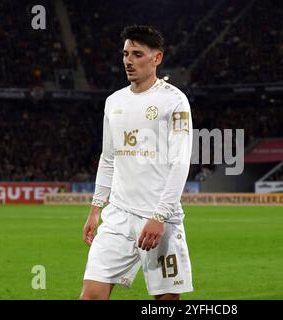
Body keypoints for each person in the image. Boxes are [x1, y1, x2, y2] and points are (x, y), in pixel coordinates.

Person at [79, 25, 194, 300]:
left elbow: (180, 161)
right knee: (91, 296)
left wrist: (159, 217)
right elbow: (108, 158)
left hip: (157, 218)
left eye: (137, 54)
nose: (128, 60)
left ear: (157, 58)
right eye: (125, 54)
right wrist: (96, 208)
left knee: (166, 303)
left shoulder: (174, 101)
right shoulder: (113, 101)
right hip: (117, 217)